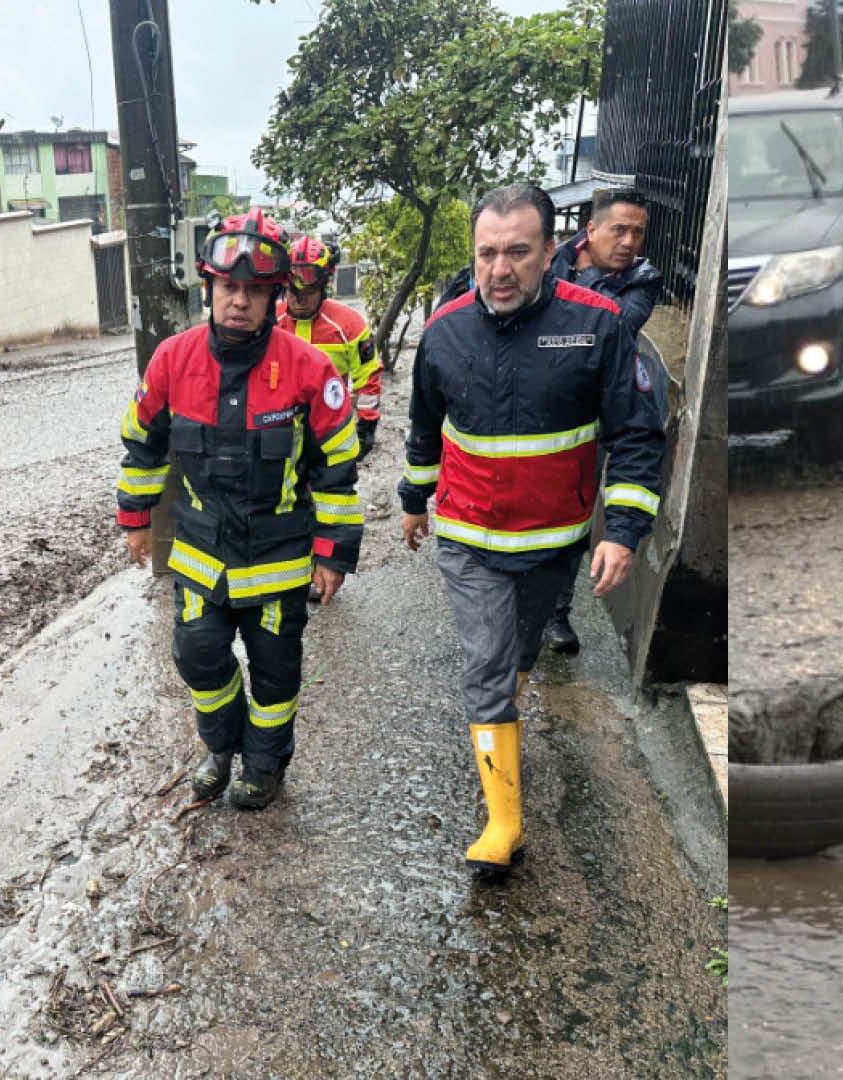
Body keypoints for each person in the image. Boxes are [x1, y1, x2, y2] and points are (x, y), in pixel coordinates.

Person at [398, 184, 665, 880]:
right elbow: (426, 427)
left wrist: (624, 531)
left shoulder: (600, 326)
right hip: (468, 536)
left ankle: (505, 713)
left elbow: (636, 434)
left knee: (516, 655)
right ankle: (505, 822)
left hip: (554, 541)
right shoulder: (445, 331)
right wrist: (413, 499)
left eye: (518, 251)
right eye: (487, 253)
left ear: (553, 250)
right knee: (487, 665)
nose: (501, 268)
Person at [116, 207, 364, 811]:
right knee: (197, 654)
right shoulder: (172, 360)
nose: (240, 302)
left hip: (280, 558)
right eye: (229, 287)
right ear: (210, 288)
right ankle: (220, 748)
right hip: (202, 551)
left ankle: (264, 764)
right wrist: (135, 517)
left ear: (274, 297)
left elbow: (337, 472)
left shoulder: (311, 369)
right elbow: (143, 442)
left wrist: (333, 555)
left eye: (255, 291)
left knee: (275, 673)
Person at [539, 188, 667, 655]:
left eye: (638, 232)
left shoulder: (645, 280)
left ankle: (556, 614)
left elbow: (608, 326)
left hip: (594, 414)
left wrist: (585, 277)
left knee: (573, 517)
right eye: (620, 229)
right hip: (539, 398)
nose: (630, 242)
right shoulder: (549, 255)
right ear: (591, 230)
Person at [276, 234, 383, 462]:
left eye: (308, 293)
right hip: (278, 434)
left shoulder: (350, 325)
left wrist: (365, 428)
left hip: (330, 431)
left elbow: (368, 379)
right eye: (293, 293)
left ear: (324, 286)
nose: (299, 301)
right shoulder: (270, 322)